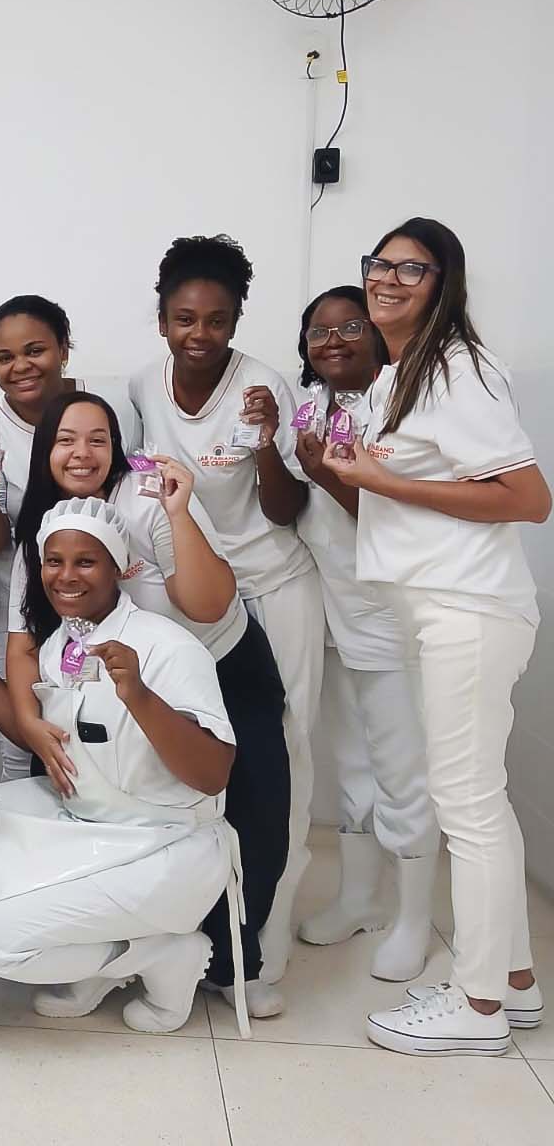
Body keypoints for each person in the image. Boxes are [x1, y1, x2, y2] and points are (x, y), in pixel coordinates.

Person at [321, 219, 550, 1057]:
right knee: (481, 800)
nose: (386, 279)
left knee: (467, 807)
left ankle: (477, 1007)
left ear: (444, 282)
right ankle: (514, 984)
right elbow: (404, 488)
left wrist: (385, 480)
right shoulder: (402, 376)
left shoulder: (457, 367)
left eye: (410, 269)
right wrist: (362, 475)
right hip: (445, 609)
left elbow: (528, 498)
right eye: (378, 264)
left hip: (470, 608)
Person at [0, 392, 289, 1019]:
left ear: (118, 445)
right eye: (65, 440)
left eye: (98, 439)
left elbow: (206, 604)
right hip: (124, 685)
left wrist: (178, 511)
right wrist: (29, 721)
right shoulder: (41, 525)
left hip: (218, 661)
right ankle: (117, 952)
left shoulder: (151, 493)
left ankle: (235, 963)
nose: (82, 453)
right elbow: (22, 641)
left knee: (253, 814)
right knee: (100, 808)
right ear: (44, 450)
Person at [0, 498, 246, 1036]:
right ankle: (101, 959)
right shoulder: (60, 647)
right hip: (89, 827)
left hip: (167, 846)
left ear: (118, 568)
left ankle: (163, 955)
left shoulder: (167, 647)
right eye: (54, 561)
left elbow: (214, 774)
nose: (66, 576)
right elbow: (31, 732)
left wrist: (140, 696)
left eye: (86, 562)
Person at [128, 235, 324, 984]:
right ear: (162, 320)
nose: (199, 334)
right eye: (185, 318)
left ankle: (270, 928)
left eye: (217, 320)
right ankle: (210, 920)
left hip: (274, 585)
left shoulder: (262, 384)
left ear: (237, 320)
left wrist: (268, 440)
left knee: (287, 752)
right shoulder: (144, 386)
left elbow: (285, 507)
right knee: (208, 749)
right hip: (196, 598)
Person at [291, 287, 440, 982]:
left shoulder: (399, 405)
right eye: (319, 331)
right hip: (329, 610)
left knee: (401, 768)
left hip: (387, 614)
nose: (333, 341)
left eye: (350, 326)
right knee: (350, 761)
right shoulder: (310, 406)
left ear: (376, 336)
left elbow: (396, 514)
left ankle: (413, 918)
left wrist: (325, 474)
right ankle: (359, 898)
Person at [0, 296, 135, 779]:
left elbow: (125, 499)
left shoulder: (106, 409)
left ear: (64, 349)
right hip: (27, 600)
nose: (20, 366)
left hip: (106, 596)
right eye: (4, 357)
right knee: (24, 739)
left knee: (109, 725)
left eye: (35, 350)